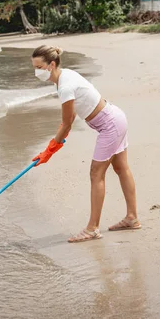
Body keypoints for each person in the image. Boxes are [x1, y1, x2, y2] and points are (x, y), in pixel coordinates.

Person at [31, 45, 141, 243]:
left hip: (110, 126)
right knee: (121, 168)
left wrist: (49, 151)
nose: (36, 72)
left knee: (96, 173)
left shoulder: (64, 86)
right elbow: (71, 116)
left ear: (51, 64)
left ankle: (92, 229)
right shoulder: (65, 76)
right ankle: (132, 218)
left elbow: (66, 123)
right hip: (116, 118)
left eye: (39, 67)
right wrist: (60, 138)